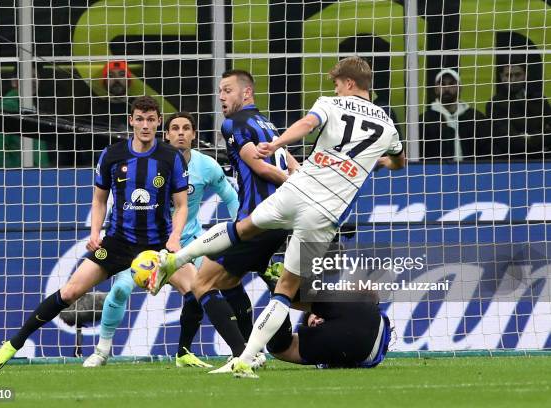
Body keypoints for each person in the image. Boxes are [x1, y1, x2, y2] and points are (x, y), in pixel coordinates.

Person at [151, 56, 404, 377]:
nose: (336, 90)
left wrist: (277, 143)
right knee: (282, 290)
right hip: (326, 210)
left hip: (298, 191)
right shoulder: (388, 125)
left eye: (338, 84)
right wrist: (381, 162)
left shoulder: (327, 105)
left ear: (349, 84)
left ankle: (176, 263)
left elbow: (306, 125)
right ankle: (245, 357)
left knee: (238, 235)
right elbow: (400, 160)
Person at [0, 96, 189, 371]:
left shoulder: (170, 157)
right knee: (70, 292)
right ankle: (13, 345)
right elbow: (99, 200)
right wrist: (95, 233)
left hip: (157, 245)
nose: (145, 125)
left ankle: (240, 354)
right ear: (131, 120)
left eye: (151, 120)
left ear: (158, 122)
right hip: (117, 242)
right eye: (139, 119)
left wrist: (175, 238)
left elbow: (181, 205)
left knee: (198, 288)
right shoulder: (112, 155)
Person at [152, 69, 299, 369]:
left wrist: (285, 182)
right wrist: (296, 184)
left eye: (228, 90)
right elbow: (294, 164)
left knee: (203, 284)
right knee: (239, 285)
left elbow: (259, 167)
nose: (221, 96)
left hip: (257, 222)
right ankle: (257, 344)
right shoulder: (269, 125)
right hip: (280, 221)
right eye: (220, 90)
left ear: (246, 93)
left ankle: (242, 357)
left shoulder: (235, 123)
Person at [82, 112, 240, 368]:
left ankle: (207, 351)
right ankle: (102, 351)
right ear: (165, 134)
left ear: (194, 134)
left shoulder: (206, 165)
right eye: (175, 128)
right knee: (121, 288)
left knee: (212, 289)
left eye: (186, 128)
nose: (180, 133)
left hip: (188, 242)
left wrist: (242, 231)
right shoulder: (157, 161)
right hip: (147, 242)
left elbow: (231, 197)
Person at [268, 301, 390, 370]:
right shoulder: (322, 345)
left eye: (315, 318)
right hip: (368, 343)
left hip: (370, 317)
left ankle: (281, 291)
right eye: (313, 324)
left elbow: (280, 348)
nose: (316, 322)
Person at [420, 68, 491, 161]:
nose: (446, 88)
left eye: (451, 83)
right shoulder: (425, 120)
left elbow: (487, 150)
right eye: (442, 84)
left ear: (460, 87)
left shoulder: (475, 117)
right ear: (436, 89)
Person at [486, 61, 551, 160]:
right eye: (508, 75)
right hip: (511, 164)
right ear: (502, 77)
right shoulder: (495, 104)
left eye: (517, 75)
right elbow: (510, 143)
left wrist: (525, 137)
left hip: (543, 161)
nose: (513, 80)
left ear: (526, 74)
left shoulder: (539, 99)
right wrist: (541, 135)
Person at [0, 72, 51, 168]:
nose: (33, 80)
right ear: (14, 82)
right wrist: (12, 175)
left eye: (35, 76)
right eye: (28, 76)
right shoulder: (8, 105)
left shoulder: (30, 105)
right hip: (20, 176)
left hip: (37, 175)